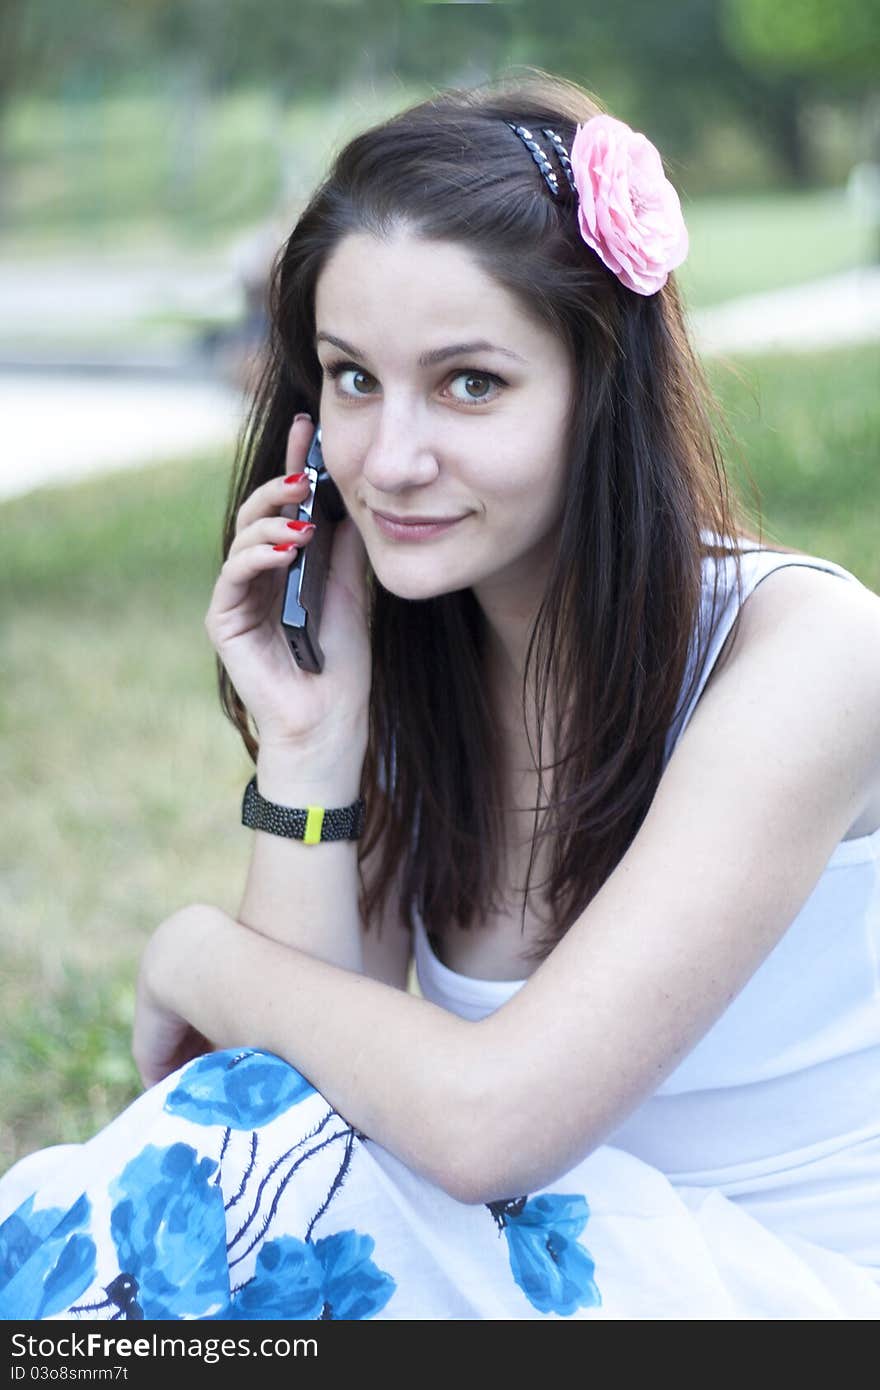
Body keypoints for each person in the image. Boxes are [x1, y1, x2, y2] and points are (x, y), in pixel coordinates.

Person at [2, 70, 879, 1322]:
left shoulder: (805, 652)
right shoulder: (422, 658)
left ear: (598, 385)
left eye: (470, 382)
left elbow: (486, 1126)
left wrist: (193, 952)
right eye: (353, 378)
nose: (391, 459)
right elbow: (286, 1099)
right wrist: (306, 745)